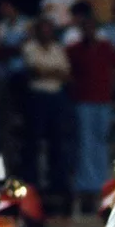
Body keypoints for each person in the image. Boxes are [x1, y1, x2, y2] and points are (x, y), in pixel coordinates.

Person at [66, 13, 115, 209]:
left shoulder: (105, 47)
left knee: (101, 141)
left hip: (103, 100)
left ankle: (101, 183)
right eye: (85, 27)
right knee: (85, 143)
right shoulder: (74, 49)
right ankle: (87, 185)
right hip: (83, 101)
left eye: (92, 26)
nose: (89, 30)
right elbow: (68, 73)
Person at [21, 17, 72, 200]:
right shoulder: (30, 47)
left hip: (56, 98)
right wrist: (53, 72)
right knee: (33, 142)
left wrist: (47, 71)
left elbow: (65, 74)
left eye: (48, 29)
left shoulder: (58, 48)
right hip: (37, 98)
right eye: (42, 29)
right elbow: (35, 71)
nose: (46, 33)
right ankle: (32, 183)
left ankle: (56, 184)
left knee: (57, 142)